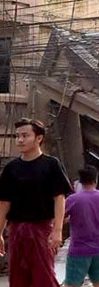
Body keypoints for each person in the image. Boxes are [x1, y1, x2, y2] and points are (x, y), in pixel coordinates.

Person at [0, 118, 73, 287]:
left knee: (44, 277)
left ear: (39, 138)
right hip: (16, 230)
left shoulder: (51, 165)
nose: (20, 140)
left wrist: (57, 230)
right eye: (17, 136)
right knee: (17, 278)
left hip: (42, 229)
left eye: (25, 136)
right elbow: (4, 203)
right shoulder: (11, 168)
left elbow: (59, 198)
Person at [64, 165, 99, 287]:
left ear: (80, 181)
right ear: (96, 179)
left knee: (72, 284)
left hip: (79, 250)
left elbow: (60, 220)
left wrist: (71, 219)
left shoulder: (72, 199)